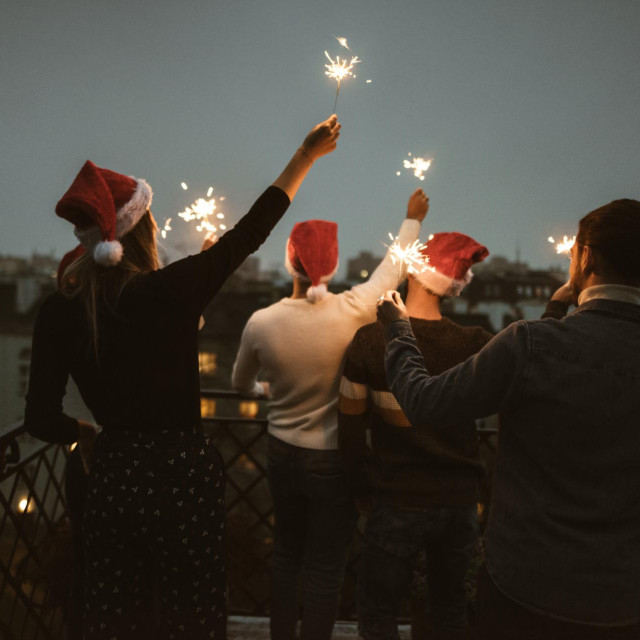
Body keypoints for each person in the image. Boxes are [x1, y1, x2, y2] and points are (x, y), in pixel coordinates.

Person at [23, 114, 341, 640]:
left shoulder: (58, 311)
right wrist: (305, 156)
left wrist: (80, 433)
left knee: (114, 615)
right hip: (181, 477)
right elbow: (250, 233)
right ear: (140, 230)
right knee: (188, 614)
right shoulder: (169, 291)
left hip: (114, 477)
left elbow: (39, 416)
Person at [375, 199, 640, 640]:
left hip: (527, 585)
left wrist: (397, 330)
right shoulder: (536, 344)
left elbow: (423, 401)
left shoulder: (528, 345)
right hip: (622, 596)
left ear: (587, 257)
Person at [231, 189, 429, 640]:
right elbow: (394, 268)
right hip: (332, 460)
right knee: (325, 568)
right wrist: (411, 218)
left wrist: (264, 391)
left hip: (281, 454)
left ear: (289, 260)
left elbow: (239, 385)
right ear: (334, 264)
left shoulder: (261, 322)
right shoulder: (354, 309)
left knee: (285, 558)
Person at [338, 232, 491, 640]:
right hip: (459, 500)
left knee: (378, 612)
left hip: (395, 496)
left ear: (414, 269)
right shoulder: (474, 345)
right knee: (450, 610)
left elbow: (349, 424)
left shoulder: (371, 341)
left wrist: (360, 488)